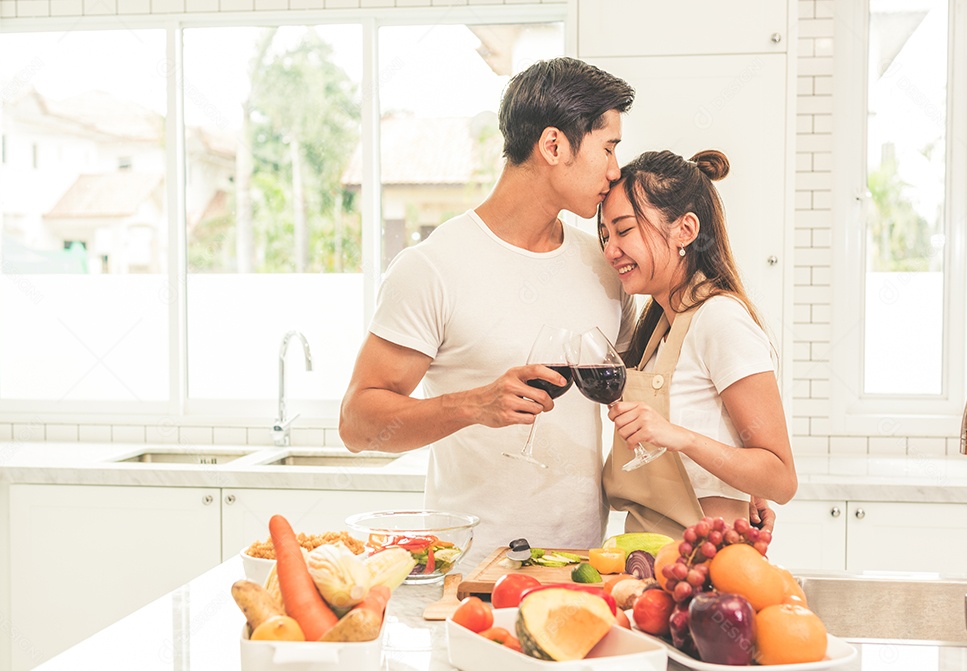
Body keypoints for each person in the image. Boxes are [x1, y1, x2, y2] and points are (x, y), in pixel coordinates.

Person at [339, 57, 636, 559]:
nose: (615, 169)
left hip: (582, 565)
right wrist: (472, 405)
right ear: (553, 145)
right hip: (469, 572)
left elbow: (649, 395)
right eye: (608, 148)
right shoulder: (433, 268)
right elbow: (357, 425)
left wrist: (730, 487)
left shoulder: (604, 264)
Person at [598, 149, 795, 538]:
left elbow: (781, 477)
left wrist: (682, 438)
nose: (609, 250)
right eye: (605, 235)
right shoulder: (656, 329)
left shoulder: (721, 319)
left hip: (702, 568)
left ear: (685, 231)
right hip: (646, 555)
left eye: (623, 230)